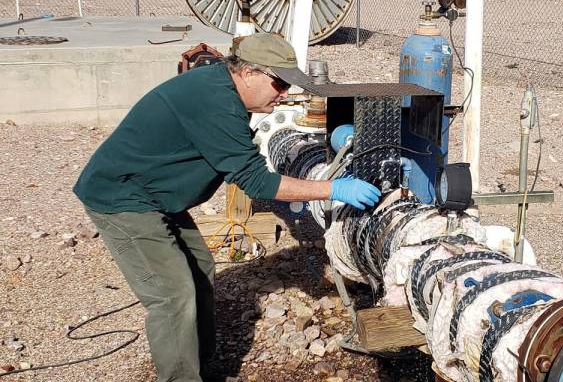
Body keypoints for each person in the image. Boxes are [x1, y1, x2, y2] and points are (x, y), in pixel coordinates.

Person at [73, 33, 380, 382]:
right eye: (278, 83)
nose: (284, 94)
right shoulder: (215, 101)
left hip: (157, 194)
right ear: (248, 72)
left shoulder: (224, 87)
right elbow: (258, 182)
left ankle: (201, 367)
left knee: (200, 267)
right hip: (124, 196)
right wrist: (333, 188)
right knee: (172, 294)